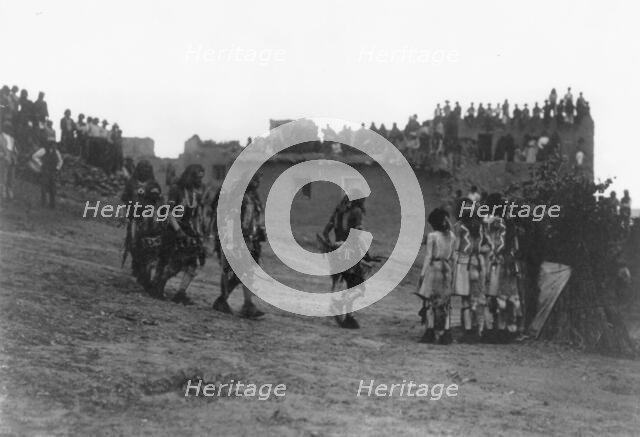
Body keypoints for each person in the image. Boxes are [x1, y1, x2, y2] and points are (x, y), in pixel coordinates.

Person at [212, 172, 266, 319]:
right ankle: (226, 301)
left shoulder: (253, 197)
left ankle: (246, 304)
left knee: (246, 272)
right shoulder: (236, 196)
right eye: (255, 180)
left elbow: (255, 217)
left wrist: (260, 232)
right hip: (234, 240)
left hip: (250, 240)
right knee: (233, 272)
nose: (257, 183)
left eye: (258, 180)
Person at [152, 164, 207, 304]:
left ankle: (181, 293)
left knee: (193, 263)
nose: (200, 181)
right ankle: (158, 286)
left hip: (187, 229)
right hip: (173, 228)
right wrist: (178, 231)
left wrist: (198, 234)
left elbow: (195, 217)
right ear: (191, 177)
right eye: (198, 178)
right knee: (175, 263)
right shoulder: (176, 190)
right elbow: (169, 213)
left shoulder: (195, 194)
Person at [320, 192, 374, 329]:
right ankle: (345, 311)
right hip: (351, 251)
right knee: (357, 286)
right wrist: (367, 254)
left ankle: (347, 315)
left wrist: (330, 245)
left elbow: (326, 231)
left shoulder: (339, 209)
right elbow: (357, 235)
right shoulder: (357, 212)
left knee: (342, 282)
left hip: (337, 250)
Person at [416, 208, 455, 344]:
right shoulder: (451, 236)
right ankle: (446, 331)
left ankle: (430, 331)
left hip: (434, 269)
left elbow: (428, 257)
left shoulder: (432, 236)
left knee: (430, 302)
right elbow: (453, 257)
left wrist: (422, 275)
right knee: (446, 302)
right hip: (447, 269)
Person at [453, 200, 490, 342]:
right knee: (479, 297)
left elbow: (455, 247)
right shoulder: (482, 228)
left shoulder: (459, 227)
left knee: (466, 300)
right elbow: (488, 247)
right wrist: (479, 251)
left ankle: (468, 330)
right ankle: (479, 329)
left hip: (464, 263)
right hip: (479, 263)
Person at [32, 140, 63, 208]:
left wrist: (57, 168)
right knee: (44, 187)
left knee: (53, 188)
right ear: (49, 144)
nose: (54, 146)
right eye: (52, 144)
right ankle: (43, 203)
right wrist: (41, 164)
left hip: (53, 171)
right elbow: (34, 156)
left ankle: (52, 204)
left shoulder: (56, 151)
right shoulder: (43, 150)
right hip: (45, 171)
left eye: (55, 144)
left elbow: (60, 160)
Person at [0, 121, 18, 201]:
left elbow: (14, 149)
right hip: (4, 158)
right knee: (3, 177)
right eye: (7, 127)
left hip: (12, 159)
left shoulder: (12, 138)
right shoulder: (0, 137)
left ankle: (10, 193)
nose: (9, 129)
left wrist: (15, 155)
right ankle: (3, 193)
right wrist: (3, 156)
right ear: (4, 128)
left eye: (9, 127)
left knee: (11, 177)